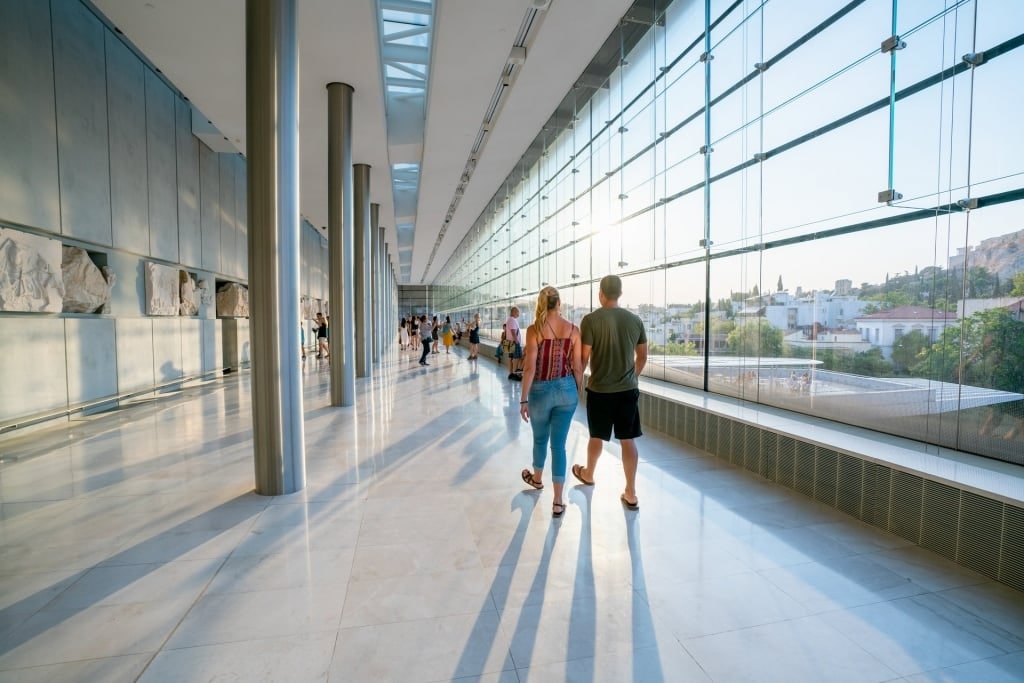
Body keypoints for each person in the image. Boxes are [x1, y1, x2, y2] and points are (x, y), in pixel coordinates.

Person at [571, 275, 647, 511]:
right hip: (627, 390)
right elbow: (642, 356)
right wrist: (632, 377)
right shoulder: (635, 320)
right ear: (620, 294)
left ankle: (589, 474)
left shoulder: (591, 320)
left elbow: (583, 358)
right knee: (628, 440)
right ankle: (631, 492)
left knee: (596, 436)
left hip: (600, 390)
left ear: (601, 294)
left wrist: (575, 384)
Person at [519, 287, 583, 518]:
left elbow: (529, 367)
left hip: (540, 390)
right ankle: (558, 501)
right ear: (559, 303)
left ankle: (537, 479)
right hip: (567, 390)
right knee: (559, 445)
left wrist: (523, 399)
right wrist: (577, 391)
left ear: (541, 303)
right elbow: (577, 367)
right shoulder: (573, 330)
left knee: (539, 438)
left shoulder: (534, 330)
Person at [505, 306, 523, 380]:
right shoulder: (512, 320)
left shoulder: (510, 319)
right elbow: (513, 332)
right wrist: (516, 341)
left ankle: (511, 373)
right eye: (517, 312)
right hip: (514, 342)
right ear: (513, 312)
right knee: (516, 358)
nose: (519, 314)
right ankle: (515, 374)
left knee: (511, 358)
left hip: (510, 342)